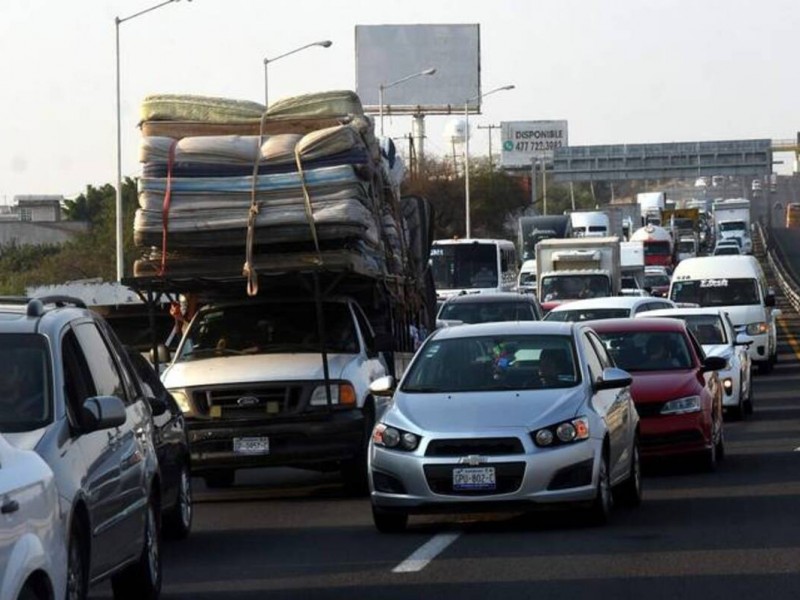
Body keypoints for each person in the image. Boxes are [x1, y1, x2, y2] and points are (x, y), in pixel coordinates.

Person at [0, 351, 46, 426]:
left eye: (9, 371)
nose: (3, 377)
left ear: (21, 375)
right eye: (1, 371)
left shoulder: (40, 407)